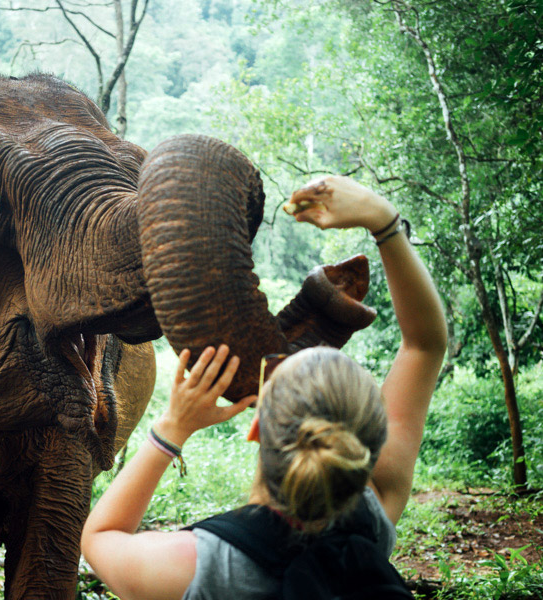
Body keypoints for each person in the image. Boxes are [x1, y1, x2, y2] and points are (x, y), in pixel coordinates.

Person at [80, 176, 448, 599]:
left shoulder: (196, 565)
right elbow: (425, 344)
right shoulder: (371, 520)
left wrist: (171, 429)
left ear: (257, 428)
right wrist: (384, 221)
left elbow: (99, 538)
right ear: (368, 445)